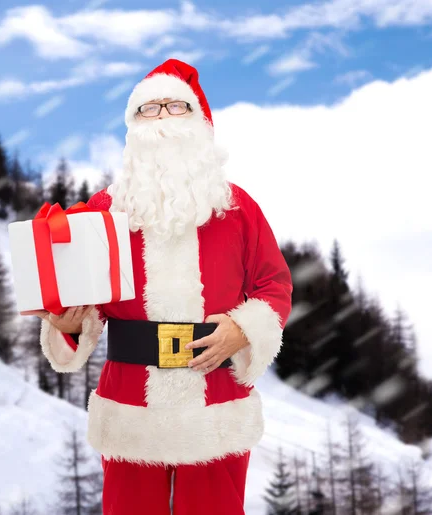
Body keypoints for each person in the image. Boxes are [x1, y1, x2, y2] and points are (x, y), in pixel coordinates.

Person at [35, 58, 293, 515]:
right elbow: (83, 302)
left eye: (175, 106)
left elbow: (274, 284)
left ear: (199, 120)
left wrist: (243, 329)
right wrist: (68, 323)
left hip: (216, 397)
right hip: (131, 401)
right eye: (149, 109)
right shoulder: (104, 211)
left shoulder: (237, 208)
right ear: (133, 128)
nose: (163, 119)